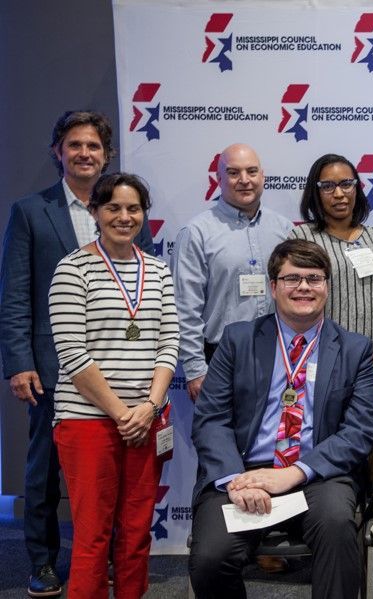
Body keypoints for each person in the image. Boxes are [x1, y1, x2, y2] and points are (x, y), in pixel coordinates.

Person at [0, 111, 154, 597]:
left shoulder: (125, 209)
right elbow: (15, 292)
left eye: (93, 146)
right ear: (58, 151)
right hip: (55, 369)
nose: (84, 153)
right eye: (74, 145)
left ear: (106, 155)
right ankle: (43, 562)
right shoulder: (31, 210)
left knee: (115, 482)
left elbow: (143, 289)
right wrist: (19, 361)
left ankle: (108, 560)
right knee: (45, 470)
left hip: (124, 370)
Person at [188, 239, 373, 599]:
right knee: (211, 558)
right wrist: (238, 480)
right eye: (292, 278)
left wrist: (293, 473)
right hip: (244, 472)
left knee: (338, 529)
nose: (304, 287)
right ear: (273, 287)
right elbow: (211, 419)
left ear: (328, 287)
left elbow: (360, 431)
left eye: (314, 278)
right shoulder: (238, 340)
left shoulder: (354, 349)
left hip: (317, 475)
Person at [48, 173, 179, 598]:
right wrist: (124, 414)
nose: (124, 217)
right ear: (95, 212)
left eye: (133, 208)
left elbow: (168, 344)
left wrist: (151, 407)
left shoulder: (158, 270)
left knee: (137, 533)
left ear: (144, 213)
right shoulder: (73, 269)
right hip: (88, 422)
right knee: (93, 537)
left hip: (145, 421)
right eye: (113, 208)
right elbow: (73, 356)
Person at [172, 143, 293, 402]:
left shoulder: (283, 229)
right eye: (233, 172)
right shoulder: (196, 233)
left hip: (279, 356)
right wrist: (195, 370)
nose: (244, 180)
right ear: (218, 178)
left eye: (252, 171)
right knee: (220, 439)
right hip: (219, 359)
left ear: (263, 176)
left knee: (276, 437)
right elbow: (184, 308)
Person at [291, 153, 373, 374]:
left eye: (346, 184)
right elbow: (294, 300)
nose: (339, 194)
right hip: (322, 363)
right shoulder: (301, 237)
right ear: (316, 192)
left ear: (357, 188)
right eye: (328, 186)